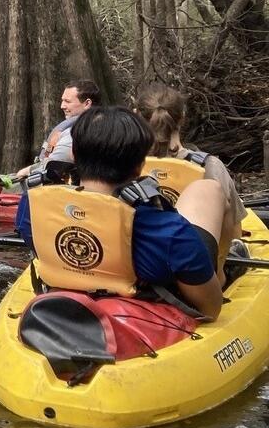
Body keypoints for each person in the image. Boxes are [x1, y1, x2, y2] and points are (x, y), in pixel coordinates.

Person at [15, 105, 229, 319]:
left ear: (73, 154)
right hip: (147, 317)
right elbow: (210, 309)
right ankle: (220, 276)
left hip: (63, 303)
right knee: (208, 189)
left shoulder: (31, 206)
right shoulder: (169, 231)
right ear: (141, 165)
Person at [137, 82, 244, 245]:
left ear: (136, 116)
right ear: (183, 117)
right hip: (199, 264)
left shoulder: (122, 167)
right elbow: (233, 235)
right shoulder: (210, 166)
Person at [14, 78, 101, 184]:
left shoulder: (80, 131)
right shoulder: (105, 124)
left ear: (87, 103)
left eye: (68, 102)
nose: (62, 106)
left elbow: (54, 166)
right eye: (62, 100)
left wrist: (27, 171)